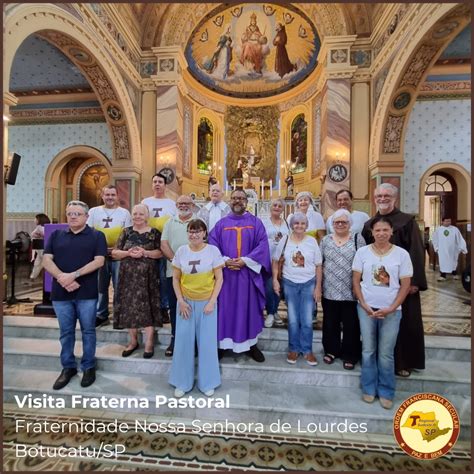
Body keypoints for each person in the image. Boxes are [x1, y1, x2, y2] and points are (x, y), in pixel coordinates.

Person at [362, 183, 427, 378]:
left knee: (406, 322)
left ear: (395, 198)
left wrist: (414, 281)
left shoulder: (407, 222)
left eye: (386, 196)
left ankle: (404, 361)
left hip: (403, 284)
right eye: (379, 196)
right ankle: (377, 360)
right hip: (377, 285)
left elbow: (416, 250)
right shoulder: (370, 225)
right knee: (377, 322)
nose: (382, 199)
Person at [43, 201, 107, 390]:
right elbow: (46, 260)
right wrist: (62, 278)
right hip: (60, 293)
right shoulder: (56, 235)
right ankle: (68, 367)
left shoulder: (96, 236)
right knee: (66, 332)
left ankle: (88, 367)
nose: (72, 217)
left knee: (88, 330)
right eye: (69, 213)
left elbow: (99, 261)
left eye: (77, 214)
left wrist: (74, 275)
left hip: (86, 292)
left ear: (86, 217)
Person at [353, 216, 413, 409]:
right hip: (367, 309)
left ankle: (386, 391)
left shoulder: (401, 254)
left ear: (391, 232)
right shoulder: (362, 252)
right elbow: (356, 281)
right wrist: (363, 303)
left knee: (386, 353)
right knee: (368, 350)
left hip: (391, 311)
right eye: (377, 230)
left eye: (384, 230)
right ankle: (369, 388)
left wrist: (392, 307)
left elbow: (405, 285)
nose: (381, 234)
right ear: (372, 232)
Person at [208, 189, 271, 362]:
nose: (238, 201)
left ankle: (251, 345)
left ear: (246, 201)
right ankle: (222, 346)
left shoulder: (256, 223)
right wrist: (226, 261)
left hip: (247, 276)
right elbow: (212, 246)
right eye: (235, 198)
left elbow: (263, 246)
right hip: (226, 277)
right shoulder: (221, 224)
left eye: (241, 198)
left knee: (248, 309)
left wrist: (245, 261)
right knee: (224, 310)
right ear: (230, 200)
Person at [169, 219, 224, 398]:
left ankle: (207, 382)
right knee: (183, 342)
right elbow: (175, 278)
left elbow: (220, 279)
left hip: (207, 304)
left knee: (207, 344)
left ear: (204, 233)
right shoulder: (181, 251)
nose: (194, 235)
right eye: (191, 231)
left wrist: (211, 302)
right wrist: (181, 301)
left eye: (198, 231)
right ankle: (182, 382)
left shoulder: (213, 251)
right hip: (185, 303)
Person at [112, 204, 162, 359]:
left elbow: (160, 252)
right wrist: (128, 253)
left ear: (147, 216)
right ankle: (133, 341)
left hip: (148, 278)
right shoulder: (126, 232)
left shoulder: (154, 233)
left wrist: (145, 252)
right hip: (128, 278)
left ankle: (149, 342)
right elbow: (114, 253)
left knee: (147, 306)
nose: (138, 216)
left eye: (141, 214)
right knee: (129, 308)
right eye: (135, 214)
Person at [272, 212, 322, 366]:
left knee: (307, 319)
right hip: (290, 283)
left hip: (308, 283)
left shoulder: (312, 241)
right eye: (296, 223)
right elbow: (275, 261)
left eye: (302, 223)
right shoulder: (285, 240)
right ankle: (293, 349)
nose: (299, 226)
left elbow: (319, 265)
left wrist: (318, 287)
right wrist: (275, 280)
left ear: (306, 225)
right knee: (293, 319)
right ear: (292, 225)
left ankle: (307, 350)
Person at [320, 209, 365, 369]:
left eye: (343, 222)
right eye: (336, 222)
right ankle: (331, 350)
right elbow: (320, 263)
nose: (340, 224)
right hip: (330, 288)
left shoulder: (357, 239)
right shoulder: (325, 240)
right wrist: (319, 287)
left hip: (350, 290)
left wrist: (358, 285)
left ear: (349, 224)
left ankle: (350, 354)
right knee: (330, 322)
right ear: (332, 224)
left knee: (351, 324)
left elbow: (362, 262)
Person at [87, 185, 132, 327]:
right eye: (107, 194)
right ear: (102, 196)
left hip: (118, 255)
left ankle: (120, 315)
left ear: (117, 196)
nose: (110, 197)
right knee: (101, 286)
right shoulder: (94, 212)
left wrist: (118, 249)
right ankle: (101, 314)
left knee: (120, 286)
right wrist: (101, 248)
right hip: (99, 255)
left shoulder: (124, 213)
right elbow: (89, 232)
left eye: (113, 195)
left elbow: (128, 234)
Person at [160, 195, 197, 357]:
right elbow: (164, 244)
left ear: (193, 205)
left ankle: (194, 340)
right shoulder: (170, 222)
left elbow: (205, 242)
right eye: (180, 203)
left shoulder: (199, 222)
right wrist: (176, 262)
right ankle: (175, 338)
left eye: (186, 203)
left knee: (194, 307)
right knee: (175, 306)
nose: (183, 206)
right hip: (173, 271)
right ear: (176, 205)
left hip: (196, 273)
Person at [142, 173, 177, 324]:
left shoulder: (171, 203)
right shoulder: (145, 202)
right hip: (147, 243)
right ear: (152, 185)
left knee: (163, 278)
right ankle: (148, 308)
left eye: (160, 182)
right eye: (155, 181)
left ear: (165, 185)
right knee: (147, 277)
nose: (157, 184)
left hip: (165, 244)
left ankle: (164, 308)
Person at [261, 198, 289, 327]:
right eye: (274, 205)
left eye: (279, 206)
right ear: (270, 207)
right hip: (267, 258)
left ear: (283, 209)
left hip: (282, 260)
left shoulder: (287, 223)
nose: (277, 207)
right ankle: (270, 313)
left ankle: (275, 311)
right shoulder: (263, 222)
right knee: (269, 286)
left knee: (279, 286)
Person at [431, 217, 468, 282]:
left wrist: (463, 247)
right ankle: (443, 275)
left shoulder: (454, 229)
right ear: (442, 222)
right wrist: (436, 248)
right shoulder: (438, 230)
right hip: (442, 249)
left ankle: (454, 274)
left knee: (453, 261)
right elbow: (435, 239)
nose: (448, 222)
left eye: (449, 221)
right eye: (446, 221)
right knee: (443, 262)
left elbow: (460, 238)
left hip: (453, 249)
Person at [30, 213, 51, 279]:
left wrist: (38, 235)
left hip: (41, 247)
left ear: (39, 220)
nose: (34, 220)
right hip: (40, 247)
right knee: (38, 262)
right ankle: (33, 276)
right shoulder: (47, 226)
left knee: (40, 262)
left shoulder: (39, 227)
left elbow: (33, 235)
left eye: (35, 219)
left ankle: (33, 276)